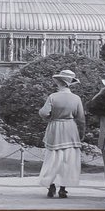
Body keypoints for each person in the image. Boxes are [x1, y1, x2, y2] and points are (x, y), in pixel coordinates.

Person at [37, 71, 85, 199]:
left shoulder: (53, 97)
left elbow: (43, 113)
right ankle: (63, 188)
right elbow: (81, 118)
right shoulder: (76, 98)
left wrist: (50, 117)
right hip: (70, 128)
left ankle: (51, 184)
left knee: (52, 157)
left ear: (61, 83)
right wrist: (82, 132)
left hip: (55, 127)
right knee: (67, 159)